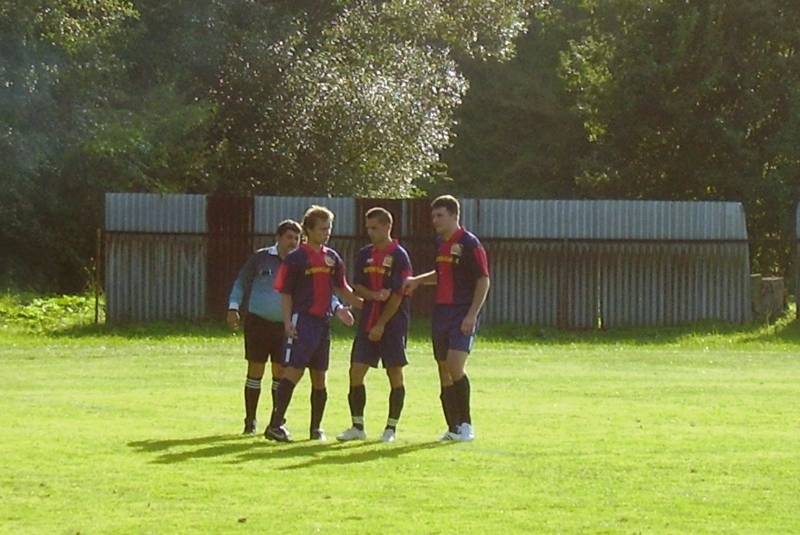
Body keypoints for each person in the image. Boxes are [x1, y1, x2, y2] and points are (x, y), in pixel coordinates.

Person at [227, 219, 353, 436]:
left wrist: (339, 306)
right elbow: (242, 281)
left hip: (288, 326)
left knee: (281, 372)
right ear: (278, 238)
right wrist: (233, 306)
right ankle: (250, 422)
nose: (292, 242)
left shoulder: (306, 260)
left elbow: (324, 289)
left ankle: (277, 422)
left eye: (296, 238)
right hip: (259, 322)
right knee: (256, 371)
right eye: (288, 237)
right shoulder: (262, 258)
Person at [265, 205, 363, 443]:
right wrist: (288, 322)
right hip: (303, 320)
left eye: (329, 228)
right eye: (322, 228)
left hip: (322, 323)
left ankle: (316, 428)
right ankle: (275, 424)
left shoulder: (332, 257)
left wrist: (362, 304)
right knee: (294, 372)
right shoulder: (296, 259)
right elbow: (286, 293)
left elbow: (341, 287)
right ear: (308, 230)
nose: (327, 232)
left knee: (320, 376)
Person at [402, 195, 490, 442]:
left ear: (454, 215)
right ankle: (452, 428)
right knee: (443, 369)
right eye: (433, 216)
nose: (434, 220)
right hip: (441, 312)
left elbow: (483, 280)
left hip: (461, 312)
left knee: (455, 365)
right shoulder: (441, 244)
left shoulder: (470, 243)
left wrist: (472, 314)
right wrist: (417, 280)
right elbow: (441, 274)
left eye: (439, 215)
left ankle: (467, 425)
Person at [336, 207, 413, 443]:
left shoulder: (400, 256)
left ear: (387, 227)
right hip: (367, 322)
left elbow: (398, 294)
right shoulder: (364, 254)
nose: (370, 232)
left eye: (374, 228)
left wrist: (381, 323)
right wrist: (374, 295)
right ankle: (357, 426)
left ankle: (390, 429)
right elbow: (357, 286)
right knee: (356, 371)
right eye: (368, 228)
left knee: (394, 373)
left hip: (392, 323)